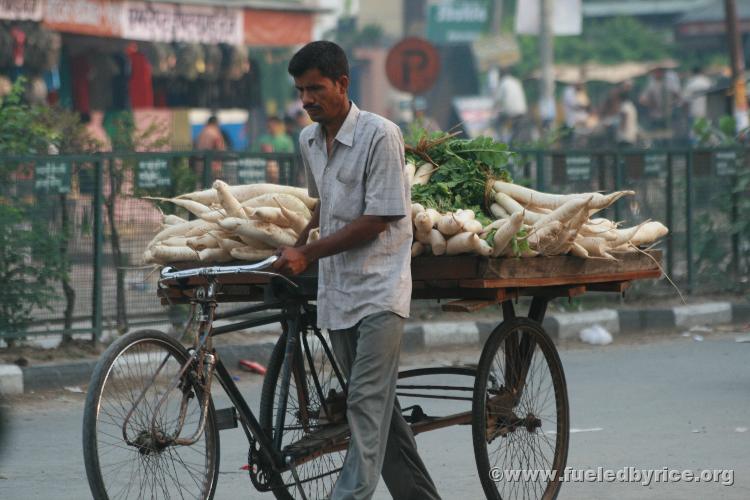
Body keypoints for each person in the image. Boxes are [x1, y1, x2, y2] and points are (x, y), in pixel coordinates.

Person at [273, 40, 441, 500]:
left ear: (343, 84)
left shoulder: (380, 135)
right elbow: (324, 205)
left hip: (381, 291)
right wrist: (300, 241)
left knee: (364, 405)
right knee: (381, 416)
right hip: (338, 292)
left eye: (315, 88)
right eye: (300, 90)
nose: (306, 99)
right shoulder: (309, 140)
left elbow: (381, 217)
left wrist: (310, 253)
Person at [492, 67, 528, 143]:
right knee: (517, 130)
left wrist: (493, 108)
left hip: (511, 112)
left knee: (496, 123)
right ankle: (513, 141)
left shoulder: (503, 83)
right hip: (522, 111)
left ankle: (501, 141)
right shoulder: (516, 81)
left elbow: (498, 100)